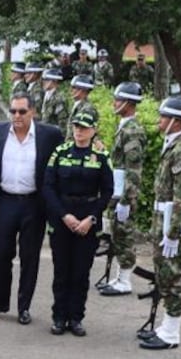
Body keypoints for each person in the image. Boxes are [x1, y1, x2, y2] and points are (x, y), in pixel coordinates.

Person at [0, 92, 64, 325]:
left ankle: (23, 307)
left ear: (33, 112)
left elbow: (65, 155)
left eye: (21, 112)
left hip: (35, 203)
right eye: (13, 111)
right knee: (1, 254)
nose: (16, 116)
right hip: (6, 200)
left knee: (30, 257)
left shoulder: (50, 135)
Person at [42, 110, 113, 337]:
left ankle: (76, 318)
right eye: (76, 127)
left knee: (81, 273)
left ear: (93, 131)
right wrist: (64, 215)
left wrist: (91, 218)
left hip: (88, 221)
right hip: (63, 218)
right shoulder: (60, 152)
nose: (79, 131)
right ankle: (59, 317)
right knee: (61, 271)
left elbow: (108, 191)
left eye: (84, 128)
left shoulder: (101, 156)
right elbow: (48, 186)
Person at [139, 95, 181, 351]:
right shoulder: (172, 144)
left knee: (171, 276)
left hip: (172, 221)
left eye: (164, 116)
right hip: (164, 218)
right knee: (164, 275)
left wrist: (173, 232)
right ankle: (165, 327)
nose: (159, 120)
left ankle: (172, 333)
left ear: (175, 120)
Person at [98, 82, 148, 296]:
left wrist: (127, 200)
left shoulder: (132, 130)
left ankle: (125, 280)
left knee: (124, 235)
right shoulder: (124, 126)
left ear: (128, 103)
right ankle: (119, 277)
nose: (114, 103)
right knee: (118, 234)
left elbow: (133, 169)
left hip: (124, 193)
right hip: (118, 190)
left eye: (118, 100)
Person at [39, 65, 69, 131]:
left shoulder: (59, 98)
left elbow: (62, 123)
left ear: (55, 81)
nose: (43, 82)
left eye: (47, 80)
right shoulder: (46, 95)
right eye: (43, 79)